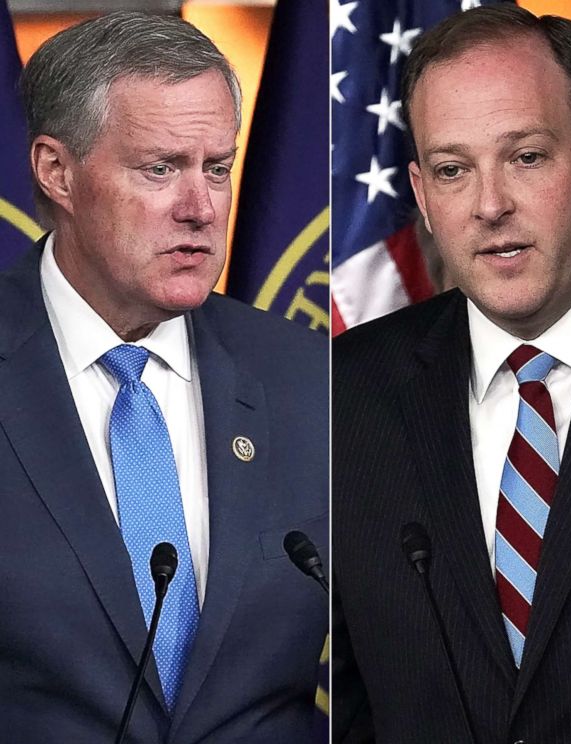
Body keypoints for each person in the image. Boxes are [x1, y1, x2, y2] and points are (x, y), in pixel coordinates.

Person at [332, 5, 571, 742]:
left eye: (527, 157)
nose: (489, 206)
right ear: (420, 195)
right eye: (453, 170)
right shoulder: (343, 394)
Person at [0, 13, 328, 742]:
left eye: (217, 168)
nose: (200, 207)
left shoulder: (313, 382)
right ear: (57, 171)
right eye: (160, 168)